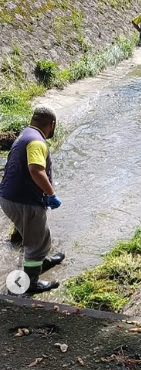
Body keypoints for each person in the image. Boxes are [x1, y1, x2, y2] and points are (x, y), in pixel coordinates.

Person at [0, 104, 64, 295]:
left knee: (38, 234)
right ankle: (31, 284)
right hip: (23, 201)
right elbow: (36, 169)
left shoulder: (25, 134)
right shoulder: (37, 142)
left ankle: (41, 263)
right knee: (37, 245)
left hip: (9, 198)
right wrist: (51, 194)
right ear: (51, 124)